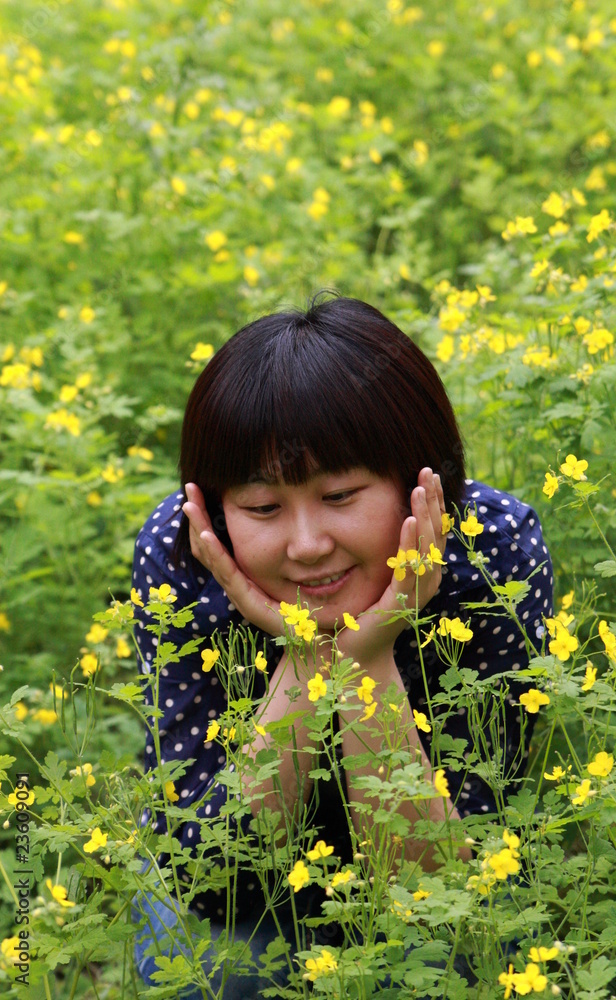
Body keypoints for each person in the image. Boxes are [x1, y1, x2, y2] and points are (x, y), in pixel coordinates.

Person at [130, 294, 553, 997]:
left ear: (421, 484)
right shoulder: (183, 557)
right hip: (242, 902)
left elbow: (440, 901)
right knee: (219, 965)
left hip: (440, 879)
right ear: (217, 511)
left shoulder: (491, 552)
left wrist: (367, 659)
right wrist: (306, 658)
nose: (306, 546)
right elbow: (210, 888)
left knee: (445, 969)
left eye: (340, 496)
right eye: (263, 507)